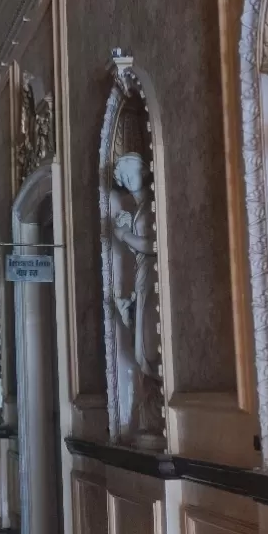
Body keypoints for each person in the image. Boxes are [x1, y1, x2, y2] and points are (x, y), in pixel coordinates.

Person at [110, 149, 164, 441]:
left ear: (143, 171)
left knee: (150, 342)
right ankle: (148, 408)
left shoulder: (154, 205)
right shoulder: (138, 210)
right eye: (123, 175)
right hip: (143, 279)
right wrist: (125, 230)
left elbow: (158, 243)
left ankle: (156, 409)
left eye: (132, 172)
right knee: (141, 343)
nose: (129, 179)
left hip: (155, 278)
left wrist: (125, 236)